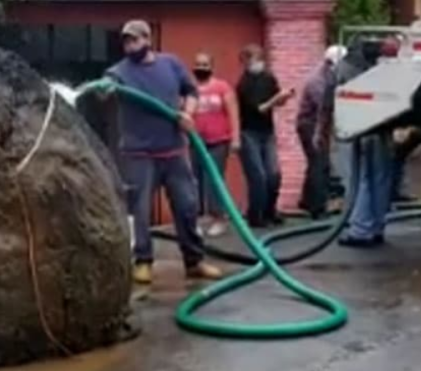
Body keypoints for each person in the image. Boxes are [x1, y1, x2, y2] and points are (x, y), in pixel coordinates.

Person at [103, 20, 222, 285]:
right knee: (140, 210)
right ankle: (143, 261)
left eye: (134, 40)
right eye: (126, 41)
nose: (129, 45)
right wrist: (105, 89)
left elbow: (190, 91)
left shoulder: (171, 64)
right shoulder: (118, 72)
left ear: (148, 39)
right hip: (139, 153)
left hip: (174, 150)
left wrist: (187, 113)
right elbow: (105, 88)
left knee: (187, 206)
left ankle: (194, 261)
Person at [336, 37, 396, 248]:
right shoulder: (386, 70)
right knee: (380, 179)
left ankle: (361, 229)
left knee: (359, 180)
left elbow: (332, 99)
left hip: (357, 129)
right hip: (382, 129)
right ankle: (377, 226)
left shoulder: (345, 68)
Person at [236, 44, 295, 227]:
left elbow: (277, 102)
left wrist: (284, 97)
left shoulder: (268, 78)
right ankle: (256, 215)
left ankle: (270, 210)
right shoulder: (243, 84)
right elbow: (261, 108)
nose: (258, 62)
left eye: (260, 58)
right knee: (258, 176)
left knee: (274, 174)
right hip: (249, 133)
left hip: (267, 132)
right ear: (246, 61)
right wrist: (276, 99)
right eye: (254, 58)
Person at [190, 52, 240, 237]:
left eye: (205, 64)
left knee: (214, 180)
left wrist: (236, 138)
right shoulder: (190, 87)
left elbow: (233, 112)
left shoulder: (222, 87)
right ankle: (196, 219)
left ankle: (219, 217)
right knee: (193, 180)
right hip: (195, 141)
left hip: (219, 141)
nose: (201, 67)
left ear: (211, 66)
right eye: (198, 64)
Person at [296, 45, 345, 219]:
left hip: (318, 124)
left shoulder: (329, 77)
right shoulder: (318, 81)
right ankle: (317, 207)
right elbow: (323, 109)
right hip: (310, 125)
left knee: (316, 163)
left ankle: (306, 201)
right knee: (319, 164)